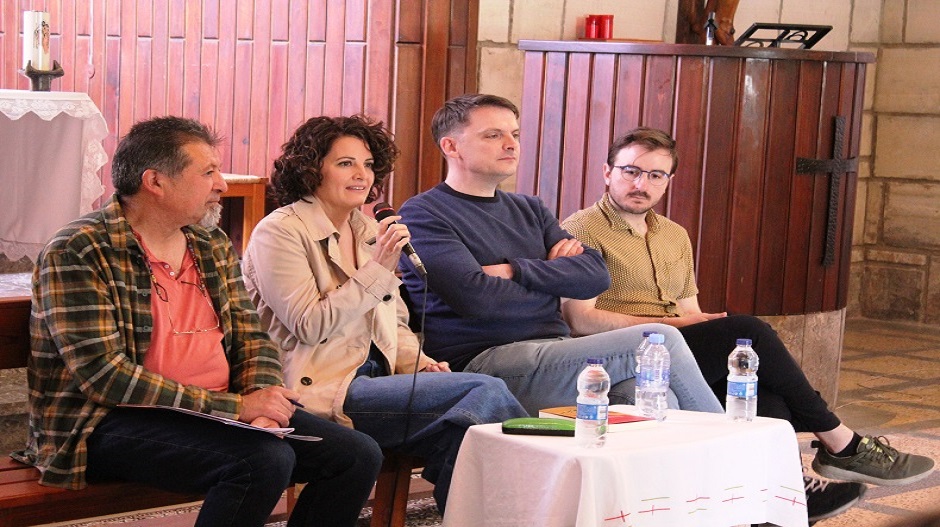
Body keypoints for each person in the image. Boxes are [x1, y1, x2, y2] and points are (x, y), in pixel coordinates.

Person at [13, 116, 384, 527]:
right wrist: (237, 407)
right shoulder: (80, 249)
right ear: (155, 181)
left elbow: (251, 335)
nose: (222, 184)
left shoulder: (209, 243)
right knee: (260, 460)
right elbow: (105, 377)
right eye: (207, 172)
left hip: (216, 409)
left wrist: (262, 398)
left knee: (356, 455)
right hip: (107, 422)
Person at [561, 126, 936, 521]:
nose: (642, 183)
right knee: (750, 330)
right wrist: (677, 324)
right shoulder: (583, 229)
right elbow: (580, 320)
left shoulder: (674, 235)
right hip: (625, 351)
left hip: (678, 350)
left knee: (768, 401)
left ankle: (784, 499)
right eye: (631, 171)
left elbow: (692, 310)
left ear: (670, 180)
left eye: (656, 175)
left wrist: (693, 326)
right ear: (607, 172)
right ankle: (841, 443)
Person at [240, 115, 527, 514]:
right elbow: (309, 324)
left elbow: (393, 322)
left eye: (368, 164)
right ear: (311, 169)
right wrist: (377, 269)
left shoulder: (367, 228)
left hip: (383, 380)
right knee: (484, 391)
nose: (361, 174)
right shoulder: (280, 231)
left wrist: (419, 363)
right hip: (320, 386)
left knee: (462, 434)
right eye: (345, 164)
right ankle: (528, 510)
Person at [395, 93, 724, 418]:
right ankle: (730, 451)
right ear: (451, 147)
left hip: (555, 351)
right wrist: (552, 278)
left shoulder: (530, 209)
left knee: (653, 395)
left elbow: (595, 275)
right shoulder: (424, 213)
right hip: (487, 363)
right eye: (493, 135)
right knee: (660, 339)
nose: (511, 144)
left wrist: (515, 271)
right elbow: (477, 299)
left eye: (515, 134)